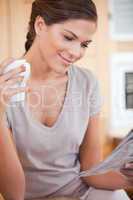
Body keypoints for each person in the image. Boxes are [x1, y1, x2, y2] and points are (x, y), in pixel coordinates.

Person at [0, 0, 133, 200]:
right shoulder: (5, 86)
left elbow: (91, 171)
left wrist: (129, 177)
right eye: (68, 37)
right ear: (40, 25)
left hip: (80, 192)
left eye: (84, 44)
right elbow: (13, 195)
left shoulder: (87, 83)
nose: (76, 52)